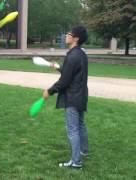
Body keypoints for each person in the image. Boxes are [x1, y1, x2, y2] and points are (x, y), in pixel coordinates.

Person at [43, 26, 89, 169]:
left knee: (73, 129)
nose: (66, 35)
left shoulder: (73, 55)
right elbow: (71, 72)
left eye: (69, 34)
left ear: (76, 38)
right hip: (81, 95)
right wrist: (57, 67)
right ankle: (84, 151)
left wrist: (49, 91)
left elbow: (64, 81)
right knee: (80, 125)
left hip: (72, 97)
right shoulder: (81, 53)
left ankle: (76, 162)